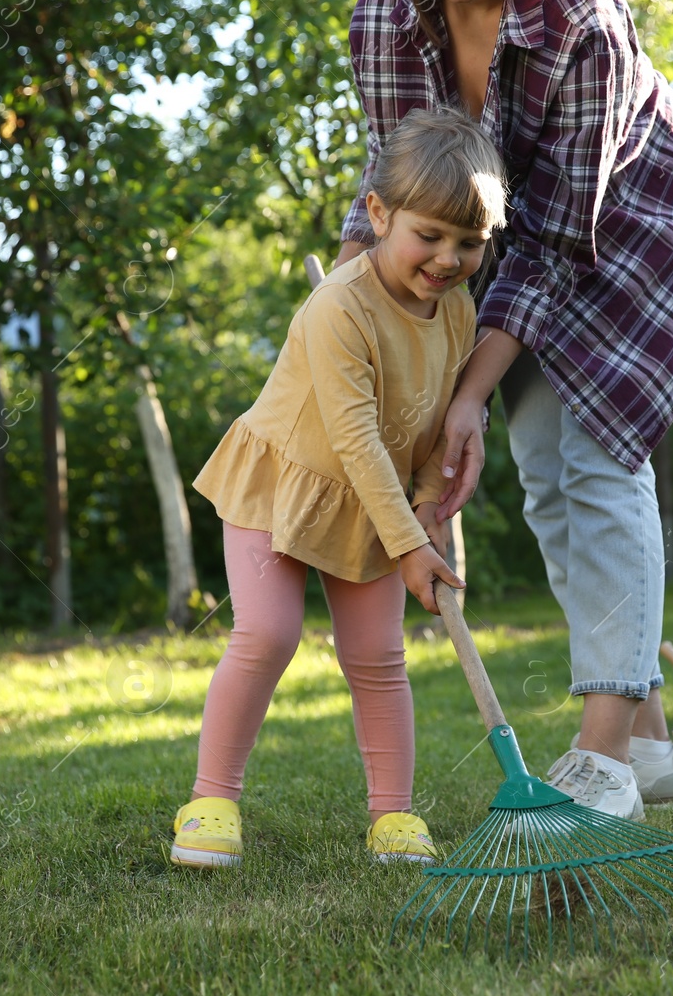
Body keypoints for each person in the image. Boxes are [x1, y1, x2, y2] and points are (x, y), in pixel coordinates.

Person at [335, 0, 673, 820]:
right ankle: (650, 744)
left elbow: (560, 235)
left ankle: (602, 758)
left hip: (630, 222)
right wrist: (336, 328)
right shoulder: (381, 15)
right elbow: (395, 182)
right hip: (496, 246)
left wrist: (466, 398)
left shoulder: (579, 6)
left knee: (598, 465)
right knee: (551, 489)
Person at [171, 108, 508, 868]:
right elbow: (354, 436)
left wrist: (426, 504)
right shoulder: (337, 309)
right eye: (430, 234)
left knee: (378, 657)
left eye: (469, 242)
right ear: (380, 215)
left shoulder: (456, 311)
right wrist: (411, 543)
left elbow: (431, 424)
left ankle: (392, 817)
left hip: (373, 500)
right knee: (267, 634)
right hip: (282, 485)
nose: (448, 258)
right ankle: (211, 800)